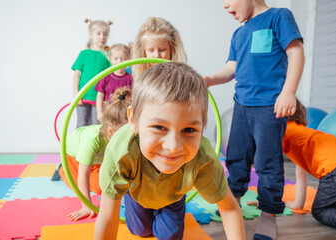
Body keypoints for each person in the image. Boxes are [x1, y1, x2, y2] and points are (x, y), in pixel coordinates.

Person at [94, 62, 246, 240]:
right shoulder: (122, 151)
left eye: (189, 130)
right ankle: (132, 200)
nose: (173, 146)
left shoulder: (203, 158)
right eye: (159, 127)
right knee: (141, 231)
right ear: (133, 119)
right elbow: (107, 218)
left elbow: (229, 208)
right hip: (138, 192)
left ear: (202, 127)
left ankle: (169, 208)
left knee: (170, 237)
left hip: (173, 196)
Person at [204, 0, 305, 239]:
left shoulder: (279, 17)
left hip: (270, 107)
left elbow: (296, 53)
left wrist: (288, 92)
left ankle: (269, 216)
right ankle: (233, 204)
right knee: (236, 158)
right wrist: (208, 79)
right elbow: (231, 70)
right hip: (242, 106)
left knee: (266, 163)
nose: (225, 6)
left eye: (228, 0)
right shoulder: (239, 34)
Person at [283, 99, 336, 233]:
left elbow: (269, 162)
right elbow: (301, 176)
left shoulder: (284, 129)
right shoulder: (304, 136)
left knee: (321, 211)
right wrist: (298, 204)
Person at [56, 87, 131, 221]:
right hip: (74, 158)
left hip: (98, 159)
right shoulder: (92, 140)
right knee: (99, 186)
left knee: (116, 182)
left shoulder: (120, 136)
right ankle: (61, 168)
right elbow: (83, 175)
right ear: (110, 132)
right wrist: (86, 205)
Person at [72, 19, 112, 128]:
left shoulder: (108, 55)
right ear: (90, 34)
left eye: (105, 34)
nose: (102, 37)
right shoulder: (84, 54)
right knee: (81, 124)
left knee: (96, 126)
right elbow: (76, 75)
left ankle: (94, 145)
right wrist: (76, 95)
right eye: (98, 33)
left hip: (99, 98)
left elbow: (111, 76)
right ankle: (78, 144)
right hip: (83, 96)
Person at [95, 43, 133, 122]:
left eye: (123, 59)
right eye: (116, 59)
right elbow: (100, 96)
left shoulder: (130, 78)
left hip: (124, 116)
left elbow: (133, 96)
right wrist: (99, 113)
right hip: (108, 114)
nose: (119, 61)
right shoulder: (105, 76)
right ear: (110, 59)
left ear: (128, 59)